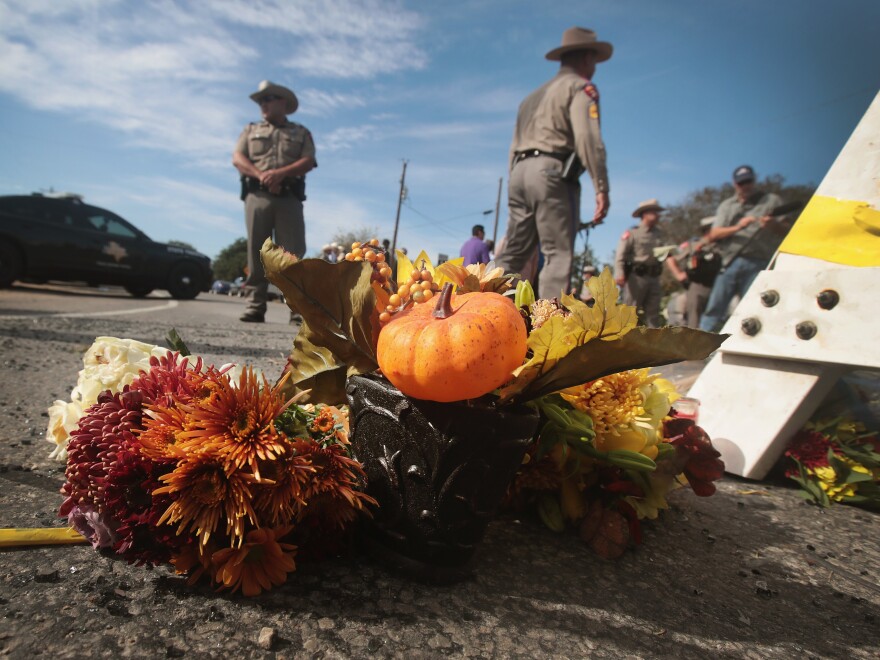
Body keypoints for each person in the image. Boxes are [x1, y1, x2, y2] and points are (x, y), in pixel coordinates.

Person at [495, 26, 611, 300]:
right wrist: (601, 186)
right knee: (557, 254)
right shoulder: (580, 87)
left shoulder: (529, 99)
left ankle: (484, 314)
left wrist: (517, 176)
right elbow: (587, 137)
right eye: (594, 60)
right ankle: (549, 333)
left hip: (520, 173)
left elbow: (513, 146)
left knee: (511, 255)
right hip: (552, 173)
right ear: (586, 58)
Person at [233, 80, 317, 323]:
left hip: (288, 198)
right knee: (256, 251)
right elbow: (238, 157)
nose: (263, 104)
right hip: (257, 195)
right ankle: (254, 305)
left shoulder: (300, 132)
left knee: (291, 254)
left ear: (283, 102)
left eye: (267, 99)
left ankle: (297, 309)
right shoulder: (250, 130)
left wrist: (281, 173)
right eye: (260, 101)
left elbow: (308, 160)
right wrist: (261, 175)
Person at [699, 165, 790, 332]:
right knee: (715, 307)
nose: (746, 186)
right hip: (730, 261)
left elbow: (787, 230)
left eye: (748, 181)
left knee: (752, 309)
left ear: (754, 180)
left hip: (759, 261)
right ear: (735, 184)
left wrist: (773, 225)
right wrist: (738, 227)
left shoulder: (771, 200)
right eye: (742, 183)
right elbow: (713, 234)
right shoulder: (728, 205)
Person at [614, 199, 669, 328]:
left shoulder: (659, 234)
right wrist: (620, 274)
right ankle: (623, 342)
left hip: (654, 277)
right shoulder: (633, 233)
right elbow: (620, 255)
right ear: (645, 214)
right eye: (654, 212)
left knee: (653, 313)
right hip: (636, 277)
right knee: (630, 311)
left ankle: (652, 345)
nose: (658, 215)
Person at [666, 217, 722, 328]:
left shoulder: (724, 244)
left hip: (719, 284)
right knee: (694, 321)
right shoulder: (694, 245)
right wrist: (679, 275)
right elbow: (671, 258)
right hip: (698, 286)